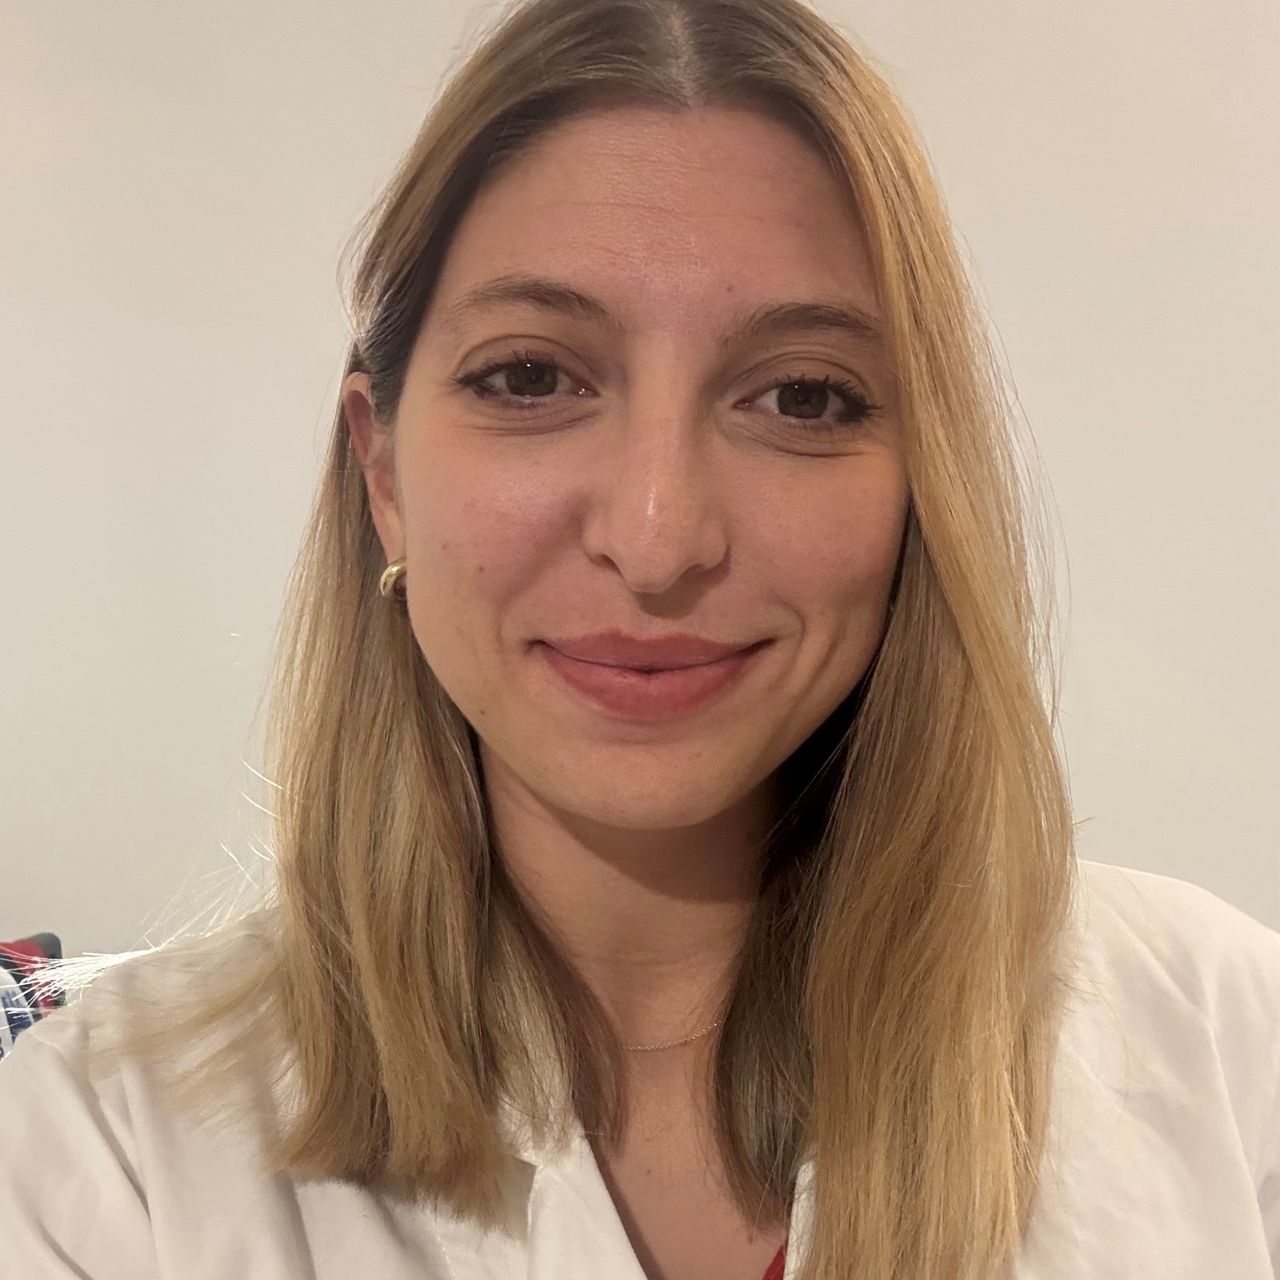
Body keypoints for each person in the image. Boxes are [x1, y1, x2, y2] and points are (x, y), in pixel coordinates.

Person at [2, 0, 1277, 1276]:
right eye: (529, 377)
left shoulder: (1227, 1049)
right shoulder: (103, 1151)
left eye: (801, 395)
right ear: (382, 472)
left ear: (918, 480)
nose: (658, 537)